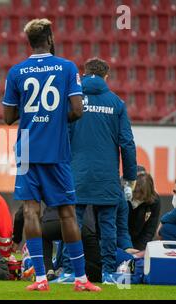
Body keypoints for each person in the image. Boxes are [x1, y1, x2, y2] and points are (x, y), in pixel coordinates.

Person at [2, 18, 100, 292]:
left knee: (31, 211)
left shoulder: (16, 71)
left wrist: (33, 113)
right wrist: (55, 119)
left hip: (27, 151)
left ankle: (41, 279)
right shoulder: (67, 67)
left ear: (30, 42)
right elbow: (78, 110)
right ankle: (80, 279)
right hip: (56, 152)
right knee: (68, 213)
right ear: (51, 38)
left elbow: (8, 117)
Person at [69, 57, 137, 284]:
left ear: (85, 74)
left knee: (73, 222)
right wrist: (130, 176)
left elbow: (63, 136)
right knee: (108, 225)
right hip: (107, 175)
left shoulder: (74, 101)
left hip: (76, 173)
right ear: (106, 77)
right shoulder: (117, 103)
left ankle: (71, 271)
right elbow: (127, 142)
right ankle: (109, 273)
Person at [128, 172, 161, 250]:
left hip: (139, 242)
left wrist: (138, 251)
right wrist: (127, 247)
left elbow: (149, 230)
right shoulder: (125, 197)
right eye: (135, 193)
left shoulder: (154, 201)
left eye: (140, 196)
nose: (136, 197)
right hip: (122, 241)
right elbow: (121, 228)